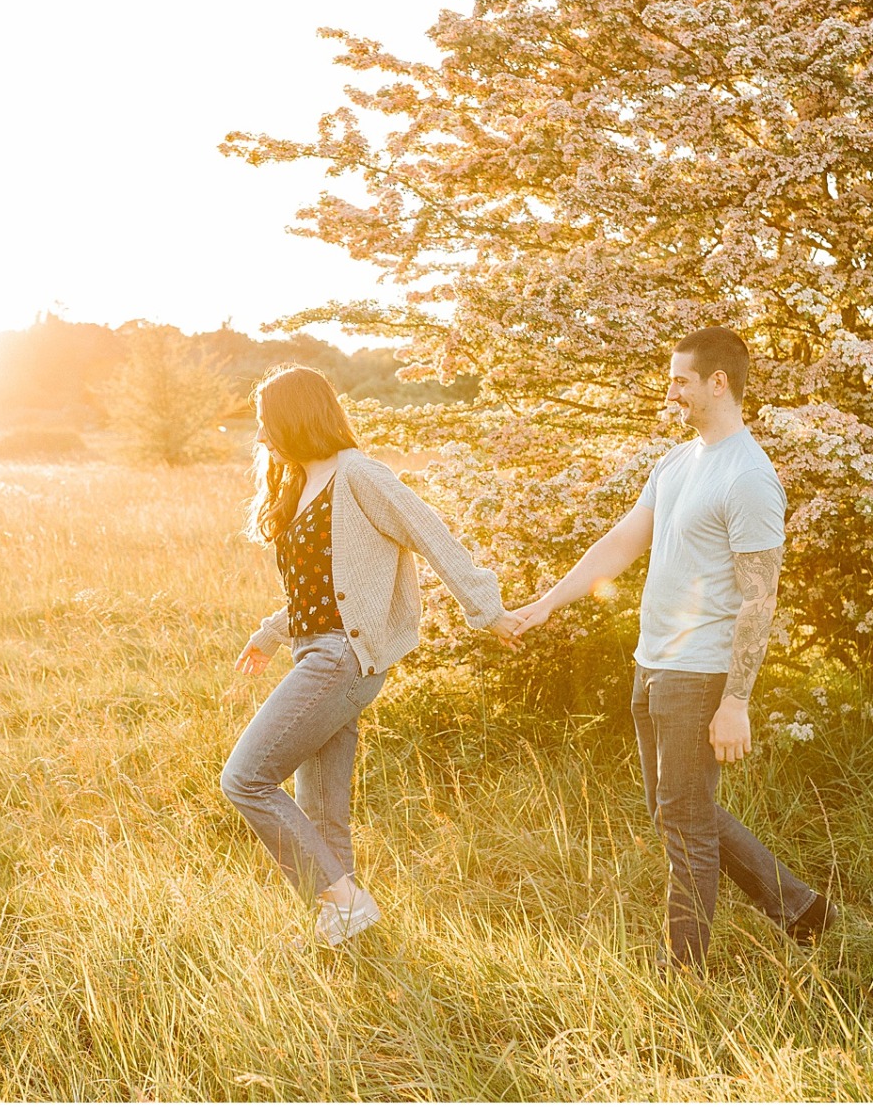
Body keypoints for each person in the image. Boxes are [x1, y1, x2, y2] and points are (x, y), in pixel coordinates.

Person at [509, 326, 835, 970]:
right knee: (679, 809)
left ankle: (682, 974)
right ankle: (800, 909)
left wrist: (736, 700)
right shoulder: (677, 462)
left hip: (699, 674)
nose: (671, 391)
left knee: (683, 823)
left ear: (718, 383)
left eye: (681, 379)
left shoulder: (749, 479)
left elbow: (759, 598)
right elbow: (620, 544)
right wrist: (547, 602)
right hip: (652, 664)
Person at [226, 364, 521, 947]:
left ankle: (345, 899)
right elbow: (319, 590)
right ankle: (348, 933)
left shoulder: (357, 474)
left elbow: (430, 533)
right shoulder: (298, 484)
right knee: (322, 807)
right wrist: (269, 634)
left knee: (245, 778)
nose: (260, 437)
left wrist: (487, 609)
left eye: (266, 423)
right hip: (316, 652)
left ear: (296, 417)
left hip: (341, 659)